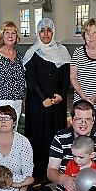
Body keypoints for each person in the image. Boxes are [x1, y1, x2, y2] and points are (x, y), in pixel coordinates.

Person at [23, 18, 71, 177]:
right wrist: (43, 98)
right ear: (38, 33)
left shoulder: (62, 51)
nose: (46, 33)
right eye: (42, 30)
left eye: (49, 30)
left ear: (53, 32)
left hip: (57, 103)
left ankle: (55, 169)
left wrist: (61, 96)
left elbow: (66, 77)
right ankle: (38, 170)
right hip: (37, 102)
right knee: (38, 135)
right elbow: (30, 79)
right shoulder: (33, 52)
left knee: (55, 134)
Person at [0, 21, 26, 129]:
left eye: (13, 33)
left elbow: (22, 82)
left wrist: (22, 101)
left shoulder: (20, 57)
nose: (10, 36)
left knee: (14, 133)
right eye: (7, 32)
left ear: (16, 37)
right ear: (2, 35)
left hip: (17, 102)